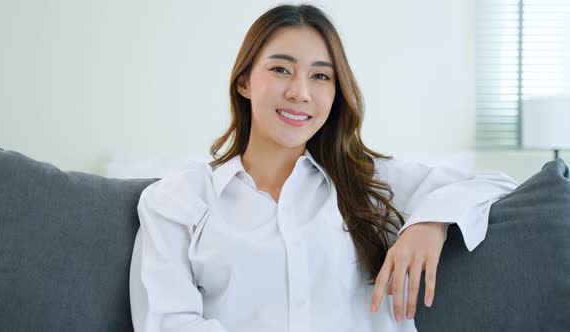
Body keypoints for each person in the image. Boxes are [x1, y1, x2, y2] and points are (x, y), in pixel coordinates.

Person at [129, 4, 519, 332]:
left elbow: (497, 184)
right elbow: (167, 323)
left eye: (320, 76)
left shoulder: (371, 182)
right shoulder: (177, 200)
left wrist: (428, 225)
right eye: (281, 69)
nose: (300, 91)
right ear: (244, 81)